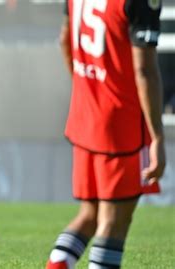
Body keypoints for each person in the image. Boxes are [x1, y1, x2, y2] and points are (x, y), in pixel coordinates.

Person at [46, 1, 166, 269]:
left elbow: (64, 39)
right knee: (114, 221)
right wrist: (158, 136)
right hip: (120, 125)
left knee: (90, 214)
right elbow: (144, 70)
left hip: (84, 115)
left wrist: (88, 90)